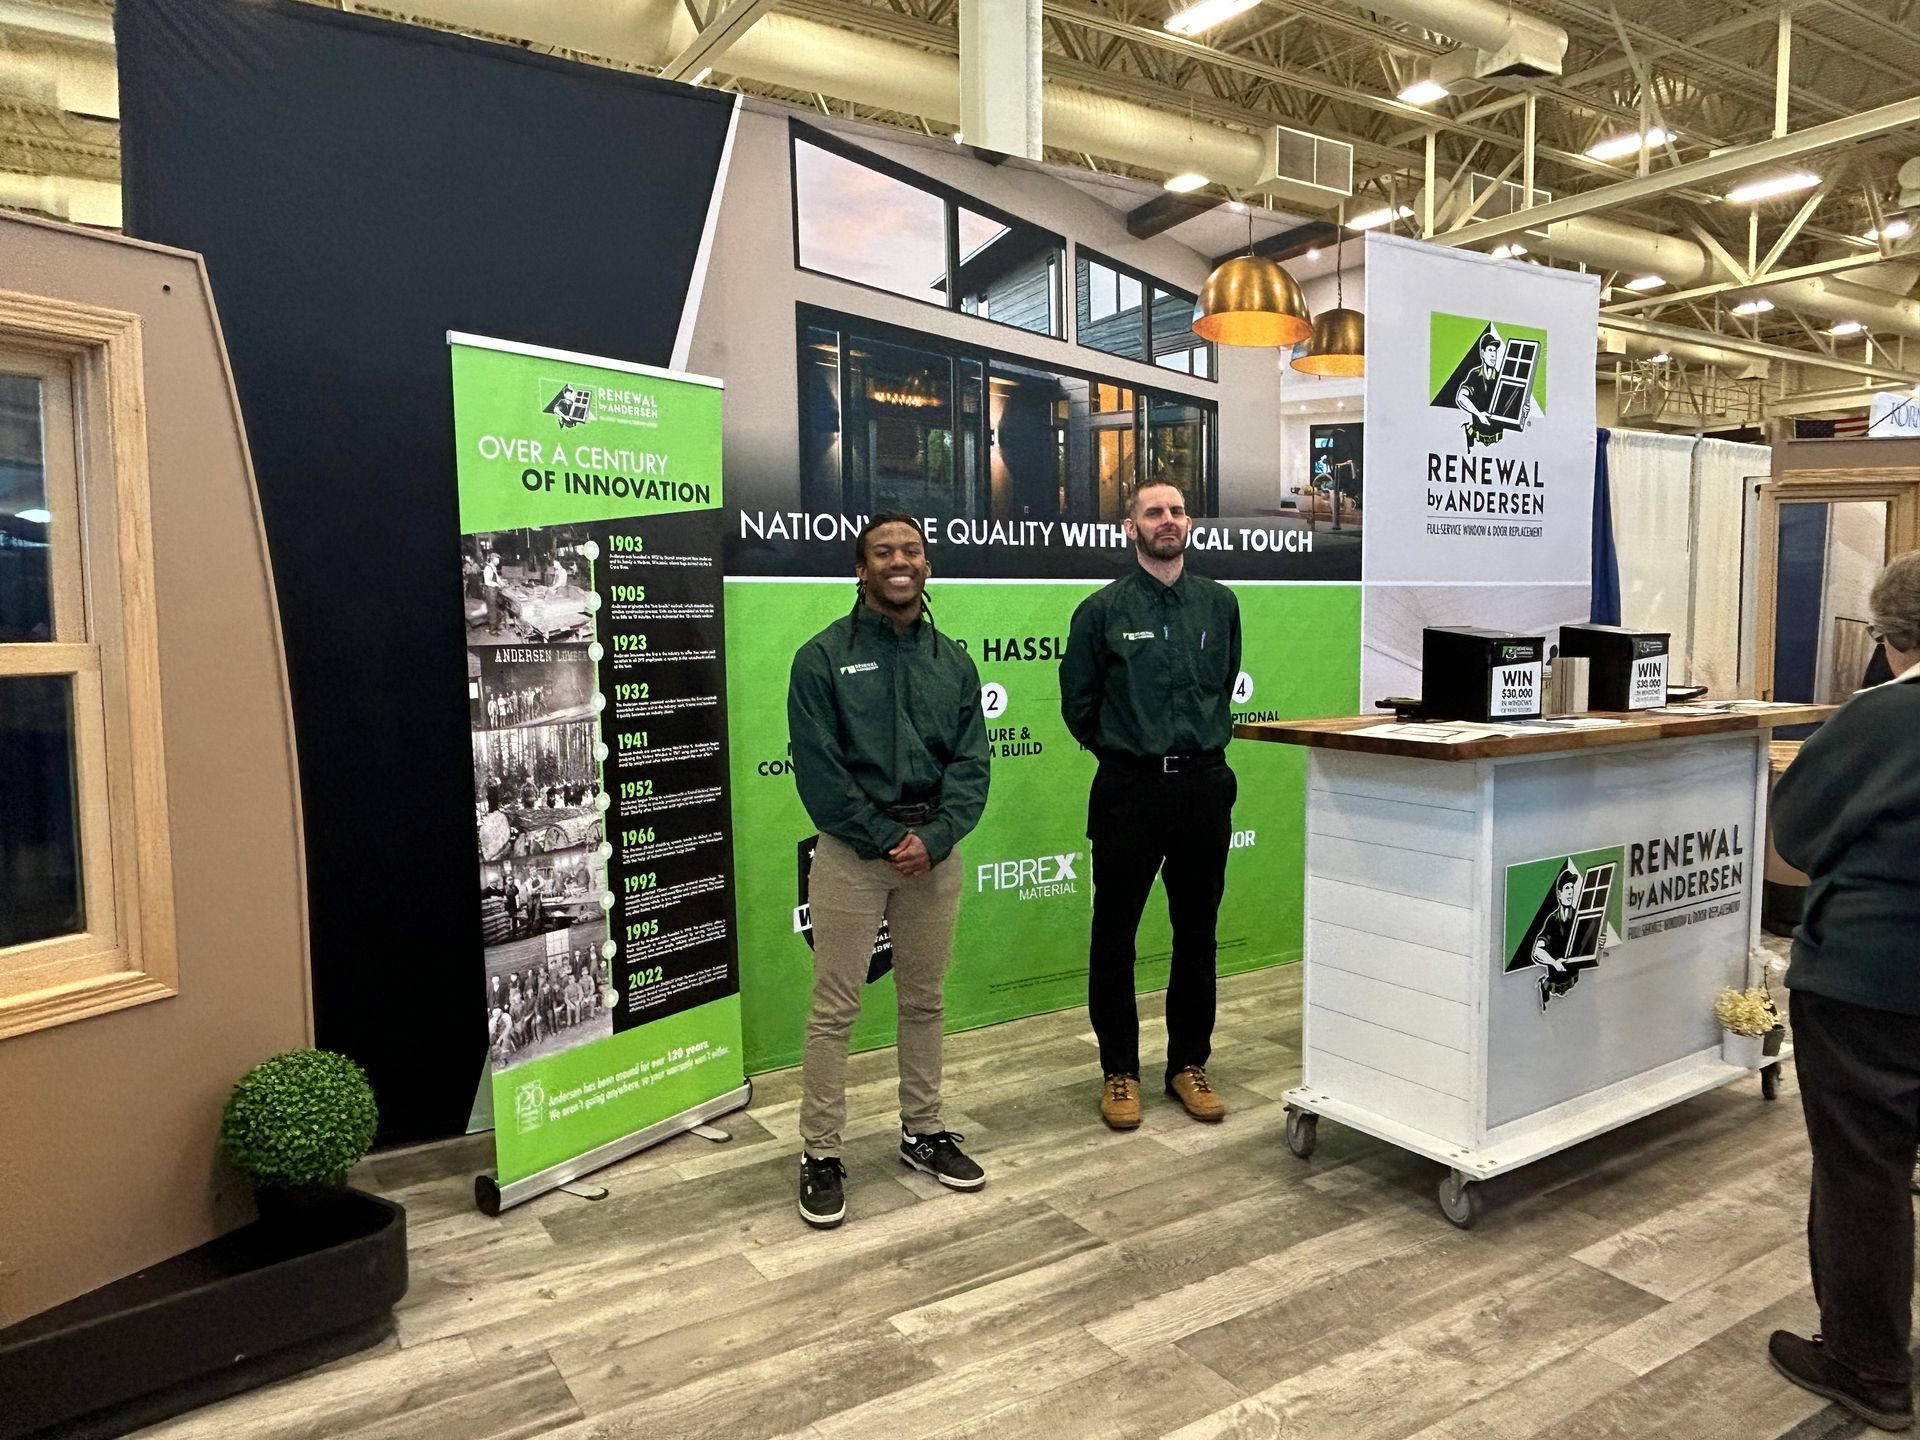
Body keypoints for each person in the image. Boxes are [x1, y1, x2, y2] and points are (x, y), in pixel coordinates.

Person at [786, 513, 991, 1229]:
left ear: (926, 565)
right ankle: (819, 1152)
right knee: (835, 1009)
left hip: (932, 855)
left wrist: (934, 836)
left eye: (910, 550)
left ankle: (923, 1133)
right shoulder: (820, 659)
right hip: (852, 856)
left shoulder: (953, 662)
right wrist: (881, 836)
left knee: (925, 1002)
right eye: (883, 552)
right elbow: (819, 771)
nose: (898, 561)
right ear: (861, 567)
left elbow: (972, 764)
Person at [1766, 550, 1920, 1434]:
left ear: (1893, 641)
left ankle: (1866, 1364)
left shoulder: (1879, 718)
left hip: (1873, 976)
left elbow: (1799, 830)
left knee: (1864, 1171)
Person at [1059, 482, 1240, 1132]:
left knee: (1197, 935)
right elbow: (1078, 705)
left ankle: (1188, 1064)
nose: (1167, 521)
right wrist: (1129, 751)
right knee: (1115, 937)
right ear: (1129, 527)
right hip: (1129, 792)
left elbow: (1223, 682)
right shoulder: (1101, 610)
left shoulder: (1219, 604)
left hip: (1203, 788)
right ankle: (1120, 1071)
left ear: (1188, 523)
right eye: (1152, 513)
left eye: (1175, 511)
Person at [1455, 332, 1507, 450]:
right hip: (1477, 442)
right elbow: (1461, 397)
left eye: (1495, 351)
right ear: (1482, 353)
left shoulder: (1501, 379)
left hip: (1498, 442)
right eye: (1490, 350)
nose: (1493, 355)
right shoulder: (1475, 375)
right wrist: (1478, 414)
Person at [481, 550, 505, 634]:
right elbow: (487, 582)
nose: (498, 561)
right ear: (493, 559)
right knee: (492, 610)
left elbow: (497, 577)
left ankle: (494, 626)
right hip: (490, 591)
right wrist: (497, 585)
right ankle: (492, 630)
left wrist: (502, 583)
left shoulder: (493, 567)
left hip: (494, 590)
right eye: (497, 559)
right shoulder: (488, 568)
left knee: (495, 609)